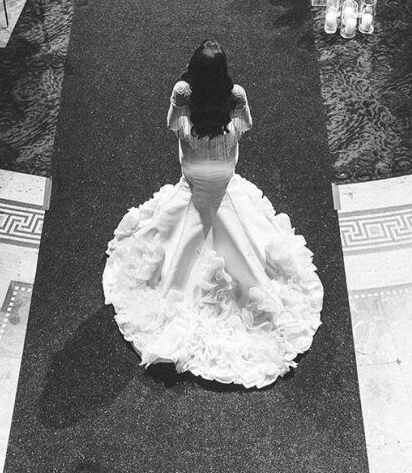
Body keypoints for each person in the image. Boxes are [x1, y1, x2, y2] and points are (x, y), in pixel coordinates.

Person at [103, 39, 323, 387]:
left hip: (193, 177)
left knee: (165, 260)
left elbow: (171, 124)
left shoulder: (183, 92)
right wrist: (226, 129)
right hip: (222, 180)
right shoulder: (235, 95)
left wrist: (188, 119)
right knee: (256, 254)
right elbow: (246, 126)